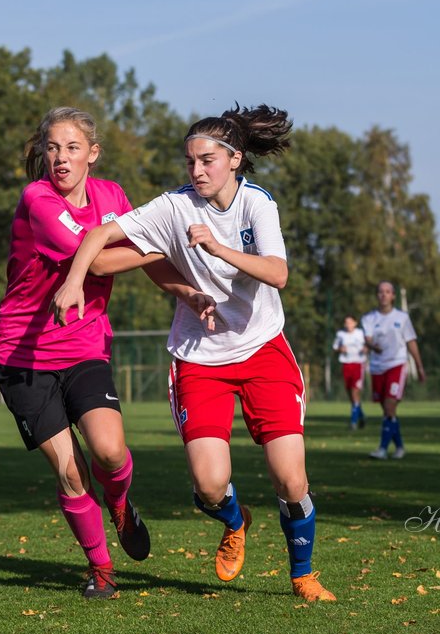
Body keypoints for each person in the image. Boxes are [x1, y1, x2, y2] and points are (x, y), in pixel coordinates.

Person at [54, 104, 337, 603]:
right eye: (190, 162)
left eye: (207, 161)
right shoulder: (174, 206)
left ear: (235, 159)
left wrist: (214, 249)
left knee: (291, 479)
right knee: (209, 486)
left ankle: (303, 575)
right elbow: (100, 238)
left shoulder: (257, 205)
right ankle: (235, 519)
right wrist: (81, 277)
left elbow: (278, 274)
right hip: (198, 359)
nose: (197, 171)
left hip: (262, 348)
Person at [0, 106, 188, 600]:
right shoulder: (37, 200)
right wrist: (165, 244)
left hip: (84, 345)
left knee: (109, 451)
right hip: (23, 355)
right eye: (52, 147)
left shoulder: (112, 196)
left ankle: (120, 504)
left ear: (92, 154)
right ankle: (101, 571)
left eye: (72, 147)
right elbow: (99, 257)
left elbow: (137, 259)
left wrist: (185, 290)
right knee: (71, 469)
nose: (60, 157)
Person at [360, 281, 426, 460]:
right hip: (377, 367)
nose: (384, 295)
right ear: (377, 295)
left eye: (387, 292)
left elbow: (411, 342)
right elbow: (367, 338)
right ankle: (400, 447)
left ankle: (382, 449)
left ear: (393, 296)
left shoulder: (402, 318)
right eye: (381, 292)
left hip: (396, 364)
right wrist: (373, 346)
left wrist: (419, 367)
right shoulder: (369, 318)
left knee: (390, 406)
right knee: (388, 411)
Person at [332, 316, 367, 429]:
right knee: (350, 395)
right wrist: (340, 349)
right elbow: (335, 347)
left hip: (358, 364)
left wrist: (365, 349)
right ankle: (361, 415)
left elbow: (368, 344)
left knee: (355, 392)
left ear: (355, 323)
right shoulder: (341, 334)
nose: (348, 324)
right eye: (346, 322)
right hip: (346, 364)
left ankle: (353, 422)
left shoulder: (360, 333)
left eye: (350, 322)